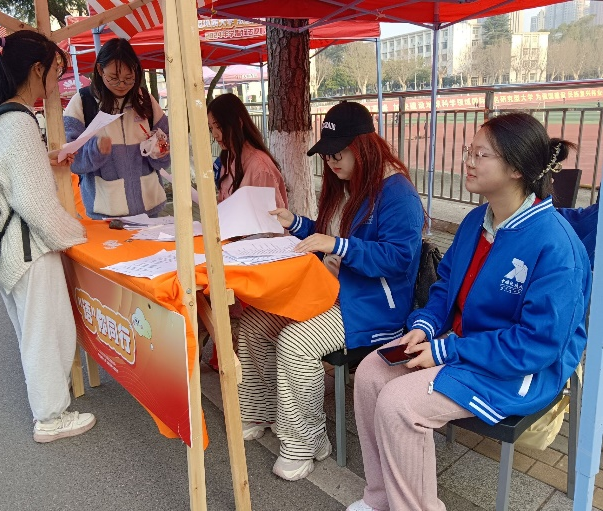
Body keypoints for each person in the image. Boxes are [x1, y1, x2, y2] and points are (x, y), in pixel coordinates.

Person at [348, 112, 591, 511]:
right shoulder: (478, 219)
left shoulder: (556, 245)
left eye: (481, 155)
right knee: (372, 372)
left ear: (516, 169)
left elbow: (536, 345)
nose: (468, 162)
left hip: (519, 369)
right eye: (469, 151)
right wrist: (426, 326)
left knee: (399, 403)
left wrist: (445, 350)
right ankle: (381, 499)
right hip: (468, 348)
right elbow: (446, 286)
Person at [238, 101, 424, 481]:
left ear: (364, 147)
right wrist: (296, 223)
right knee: (254, 324)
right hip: (331, 292)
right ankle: (264, 410)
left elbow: (398, 258)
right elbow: (329, 235)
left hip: (374, 307)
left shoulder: (397, 192)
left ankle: (306, 441)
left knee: (296, 343)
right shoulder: (347, 184)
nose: (332, 161)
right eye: (327, 154)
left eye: (339, 152)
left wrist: (337, 245)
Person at [0, 30, 95, 443]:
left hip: (8, 248)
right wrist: (77, 234)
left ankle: (49, 406)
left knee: (34, 332)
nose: (56, 81)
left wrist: (42, 158)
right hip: (28, 247)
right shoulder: (19, 121)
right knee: (46, 333)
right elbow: (36, 205)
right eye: (55, 72)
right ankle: (50, 417)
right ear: (37, 69)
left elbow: (9, 176)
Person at [64, 38, 170, 219]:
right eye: (113, 78)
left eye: (128, 78)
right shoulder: (83, 102)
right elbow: (70, 158)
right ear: (100, 70)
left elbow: (167, 142)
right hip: (106, 213)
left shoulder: (144, 99)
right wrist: (95, 150)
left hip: (150, 208)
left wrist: (160, 149)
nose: (121, 85)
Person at [207, 93, 288, 209]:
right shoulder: (228, 157)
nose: (215, 134)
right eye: (211, 128)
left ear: (238, 123)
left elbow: (272, 217)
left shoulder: (260, 168)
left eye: (219, 126)